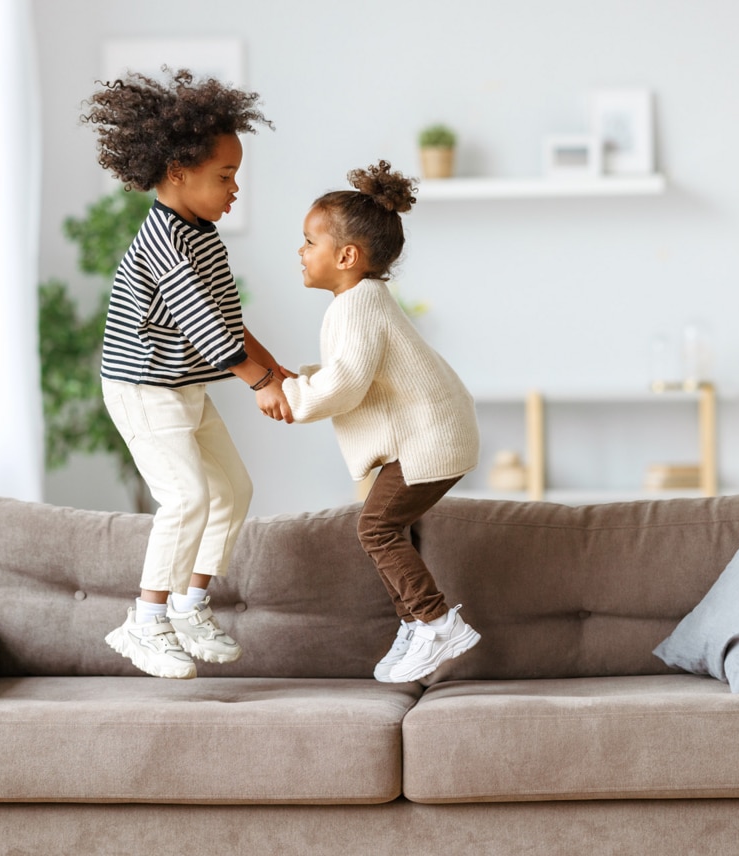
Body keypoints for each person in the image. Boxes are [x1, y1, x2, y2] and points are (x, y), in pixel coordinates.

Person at [81, 69, 293, 679]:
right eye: (225, 176)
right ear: (178, 173)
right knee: (187, 497)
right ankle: (145, 622)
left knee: (233, 491)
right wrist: (260, 383)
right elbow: (205, 327)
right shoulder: (164, 242)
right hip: (144, 390)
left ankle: (189, 604)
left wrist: (275, 369)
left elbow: (228, 318)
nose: (235, 189)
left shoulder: (203, 236)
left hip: (181, 386)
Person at [282, 161, 481, 683]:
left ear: (346, 256)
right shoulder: (360, 301)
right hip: (435, 434)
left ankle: (437, 622)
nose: (300, 251)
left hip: (433, 439)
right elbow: (354, 373)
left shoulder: (357, 304)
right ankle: (414, 624)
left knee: (377, 527)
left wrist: (293, 398)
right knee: (384, 527)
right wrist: (298, 379)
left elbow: (345, 384)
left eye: (309, 242)